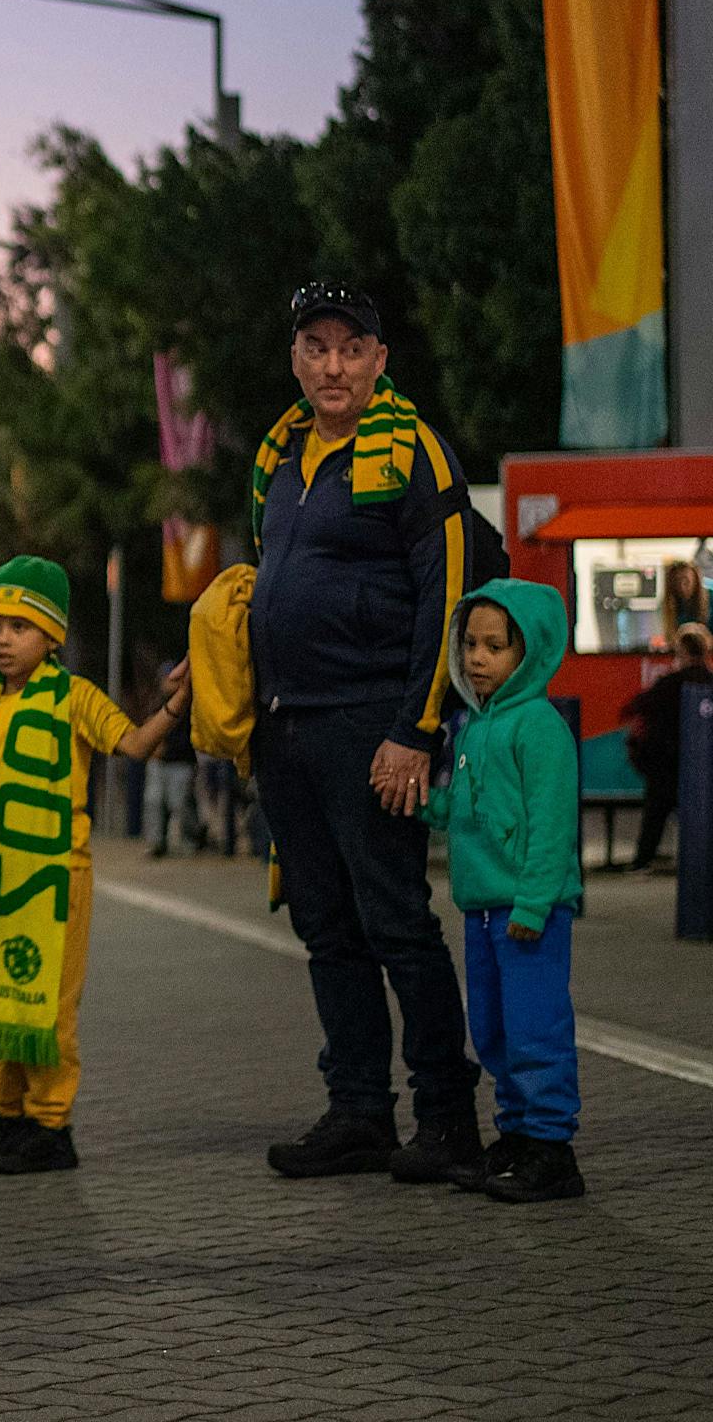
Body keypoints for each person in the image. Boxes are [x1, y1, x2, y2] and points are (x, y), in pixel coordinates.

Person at [249, 282, 482, 1184]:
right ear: (296, 357)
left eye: (352, 348)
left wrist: (417, 730)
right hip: (289, 728)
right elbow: (265, 578)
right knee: (326, 927)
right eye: (316, 346)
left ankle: (448, 1120)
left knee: (398, 926)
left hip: (373, 728)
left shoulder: (414, 451)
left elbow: (450, 594)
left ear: (380, 361)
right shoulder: (280, 457)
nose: (333, 365)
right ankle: (357, 1112)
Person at [0, 556, 190, 1175]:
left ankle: (51, 1126)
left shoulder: (75, 697)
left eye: (19, 626)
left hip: (53, 881)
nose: (2, 640)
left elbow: (137, 745)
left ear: (51, 636)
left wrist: (178, 704)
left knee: (47, 1006)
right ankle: (5, 1114)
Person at [413, 582, 585, 1202]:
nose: (478, 657)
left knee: (536, 1026)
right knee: (493, 1027)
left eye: (495, 645)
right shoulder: (472, 727)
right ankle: (515, 1137)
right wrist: (428, 808)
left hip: (526, 909)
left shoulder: (538, 727)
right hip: (484, 906)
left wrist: (536, 903)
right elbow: (467, 809)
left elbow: (551, 824)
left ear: (530, 652)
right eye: (470, 644)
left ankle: (551, 1150)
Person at [622, 622, 713, 871]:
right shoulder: (709, 683)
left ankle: (643, 860)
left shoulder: (668, 684)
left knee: (656, 812)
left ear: (682, 652)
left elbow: (633, 709)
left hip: (666, 766)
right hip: (704, 768)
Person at [142, 665, 201, 858]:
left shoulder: (187, 703)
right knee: (154, 802)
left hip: (180, 761)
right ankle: (157, 843)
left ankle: (191, 839)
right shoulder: (157, 701)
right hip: (159, 762)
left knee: (179, 804)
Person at [658, 560, 709, 649]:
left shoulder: (710, 599)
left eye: (686, 581)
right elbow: (671, 638)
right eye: (677, 582)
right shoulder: (673, 605)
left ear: (695, 580)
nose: (681, 586)